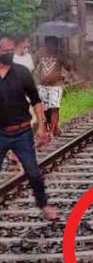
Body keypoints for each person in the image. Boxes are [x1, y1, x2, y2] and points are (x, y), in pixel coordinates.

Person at [0, 35, 58, 220]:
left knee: (34, 173)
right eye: (5, 51)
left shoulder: (22, 72)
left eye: (11, 50)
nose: (9, 53)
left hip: (22, 132)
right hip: (1, 133)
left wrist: (42, 127)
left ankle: (44, 205)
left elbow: (36, 100)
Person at [34, 36, 72, 137]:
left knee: (55, 107)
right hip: (42, 85)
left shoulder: (60, 54)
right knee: (44, 108)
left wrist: (65, 57)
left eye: (54, 44)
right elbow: (33, 65)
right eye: (49, 44)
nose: (52, 47)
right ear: (46, 44)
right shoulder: (40, 53)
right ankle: (47, 128)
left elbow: (68, 67)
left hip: (56, 85)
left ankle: (52, 130)